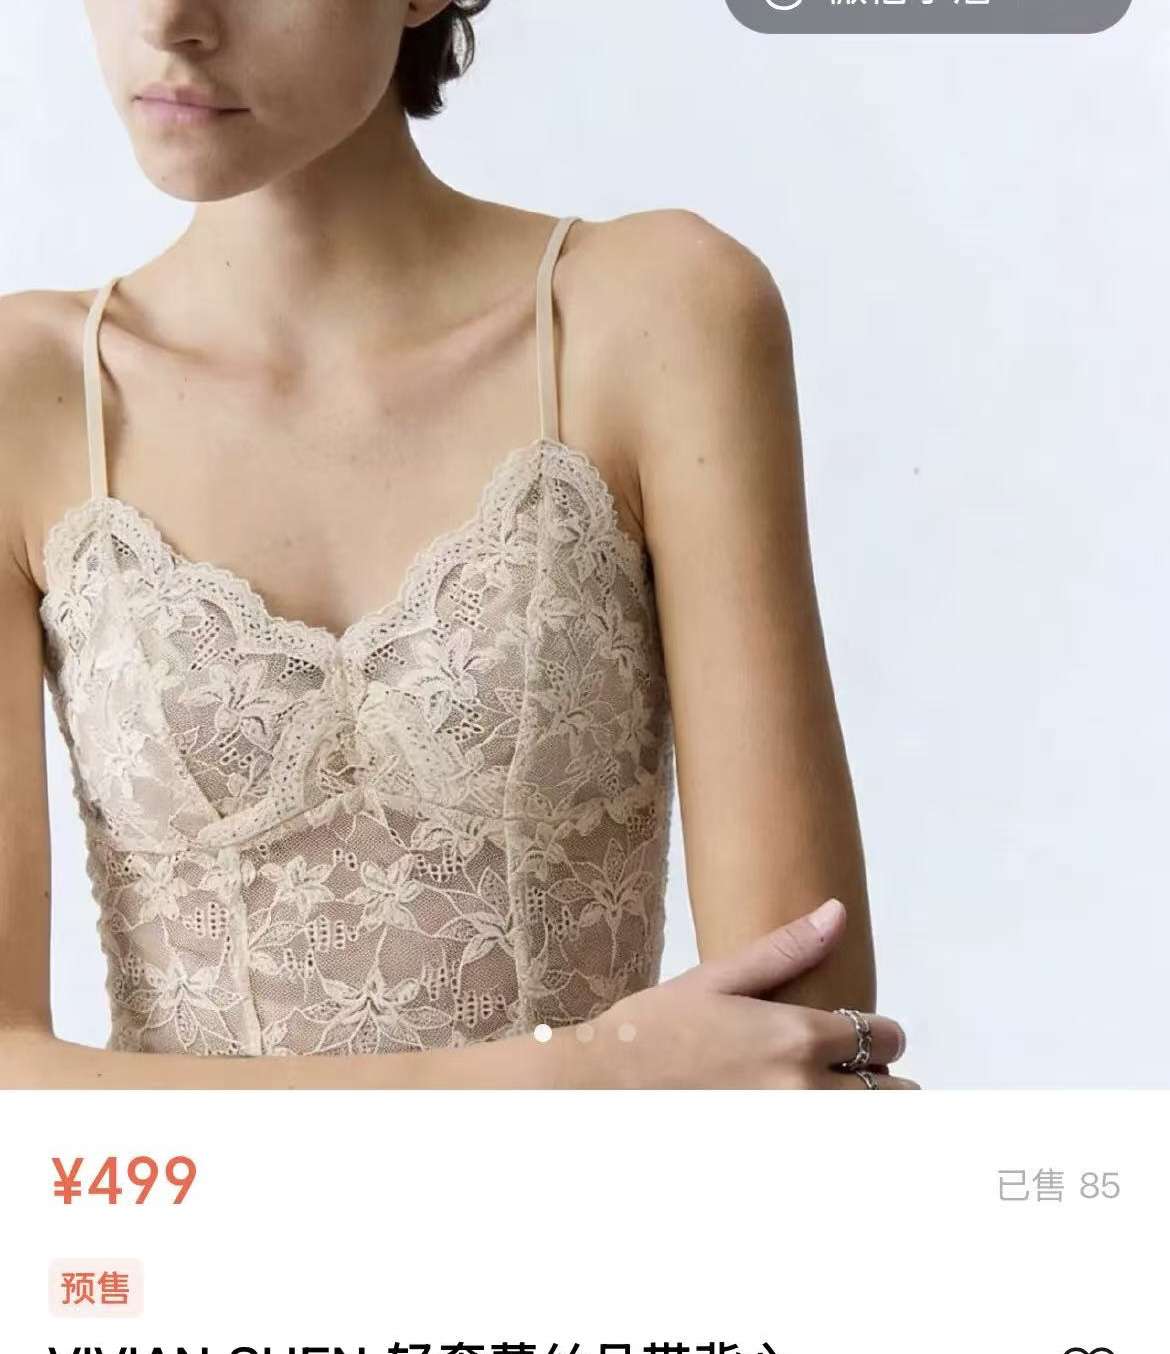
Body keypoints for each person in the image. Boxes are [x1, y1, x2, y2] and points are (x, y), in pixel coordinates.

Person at [0, 0, 918, 1090]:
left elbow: (807, 1048)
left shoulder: (649, 320)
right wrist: (585, 1076)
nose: (169, 20)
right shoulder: (31, 394)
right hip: (197, 1212)